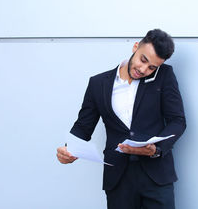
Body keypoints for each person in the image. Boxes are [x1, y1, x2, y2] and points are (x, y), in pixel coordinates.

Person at [56, 29, 186, 209]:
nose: (143, 70)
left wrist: (156, 149)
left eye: (152, 68)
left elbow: (177, 121)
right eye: (143, 60)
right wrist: (69, 148)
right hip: (118, 177)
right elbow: (83, 126)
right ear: (135, 47)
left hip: (157, 176)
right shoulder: (98, 83)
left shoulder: (164, 76)